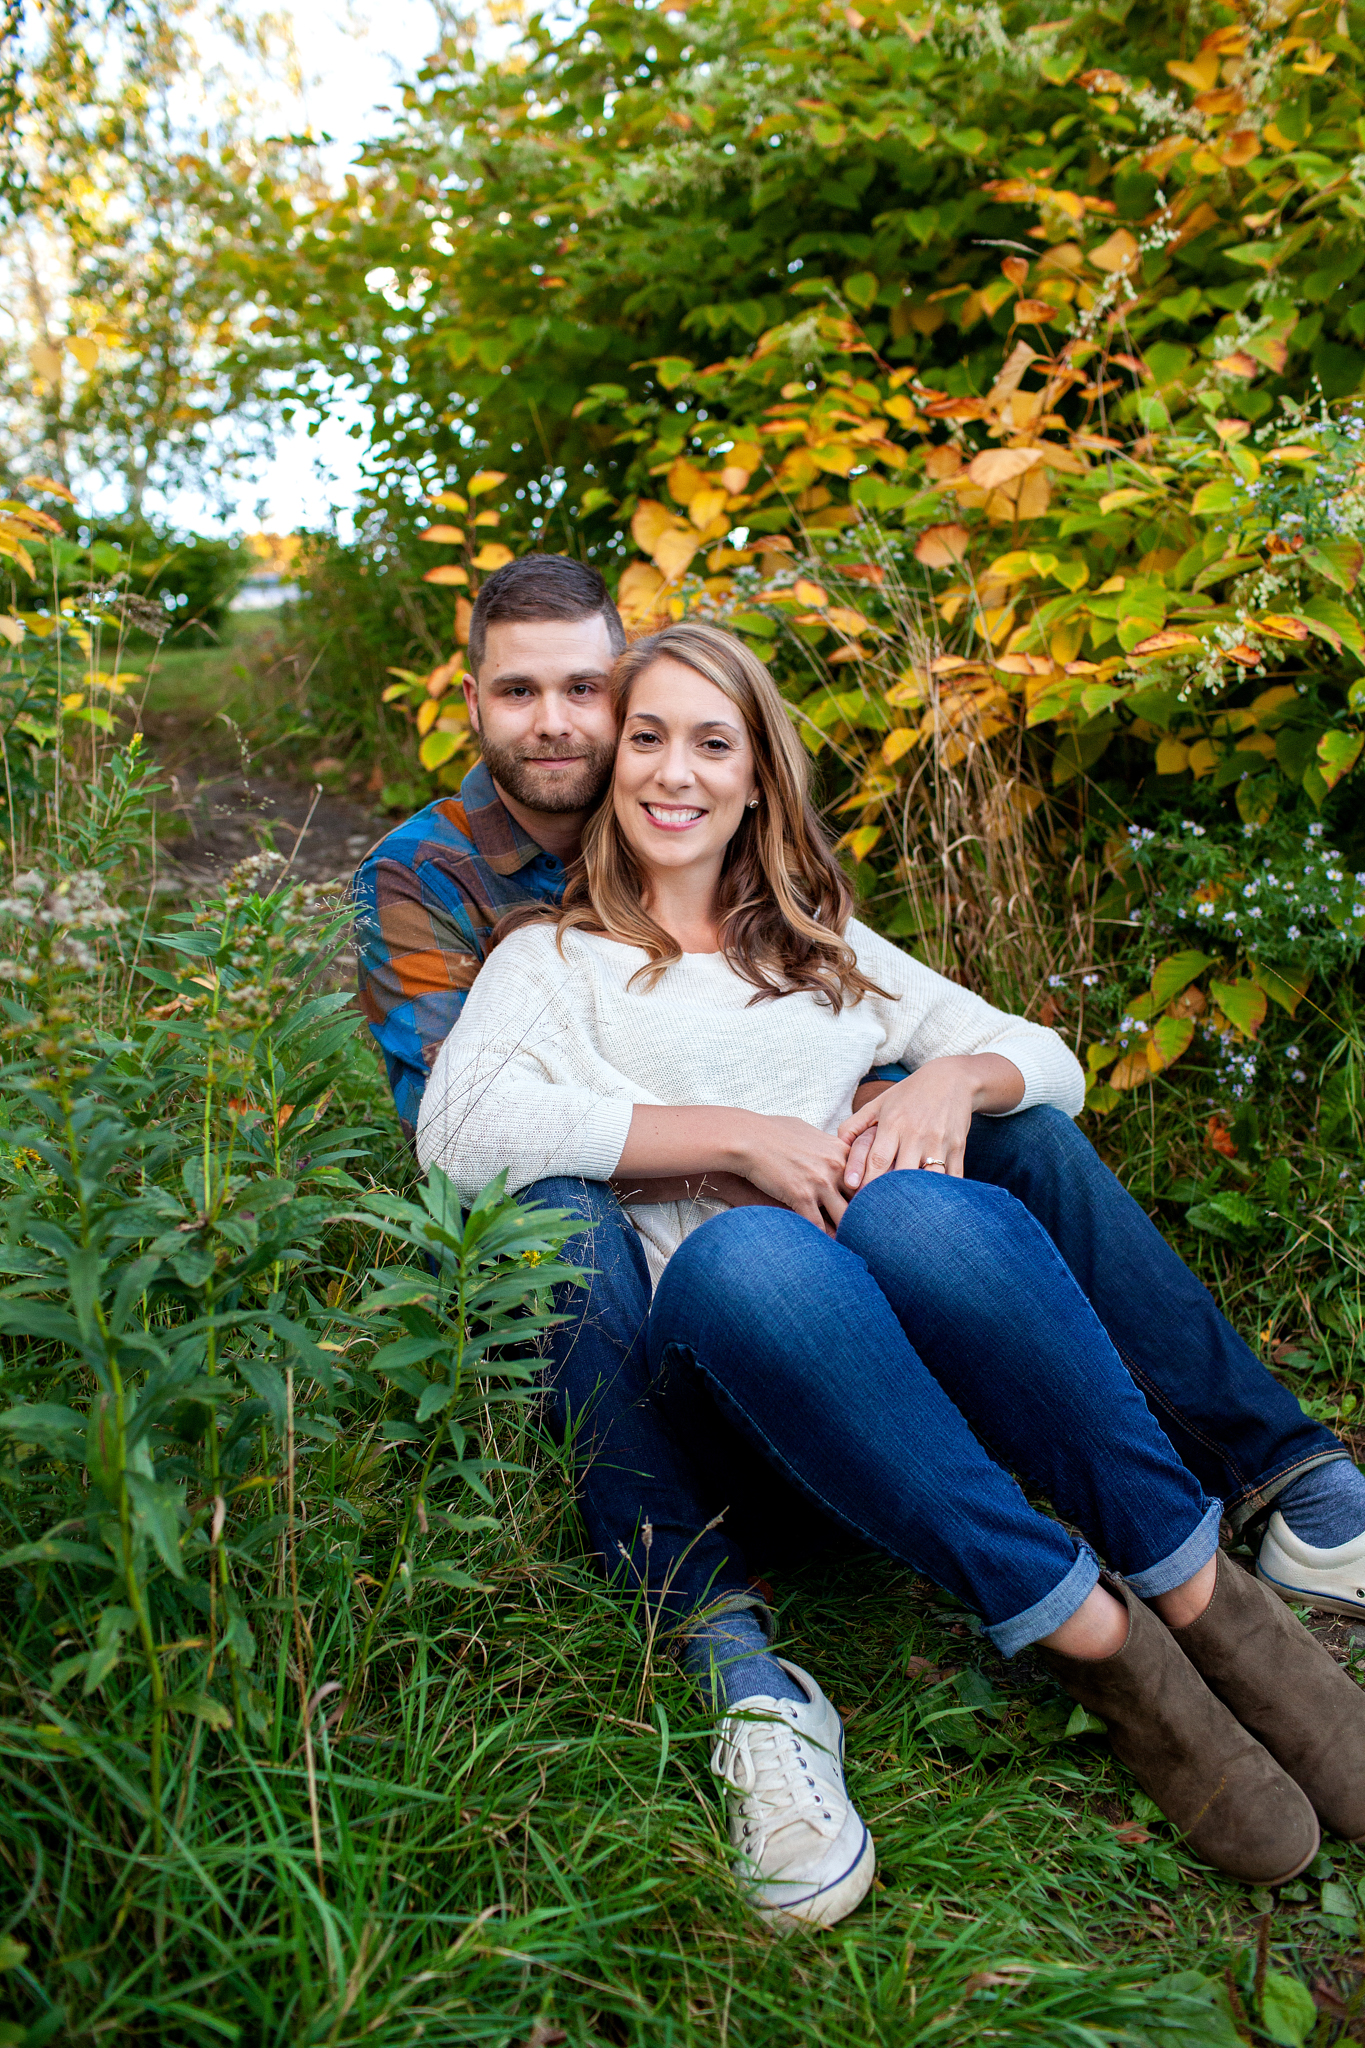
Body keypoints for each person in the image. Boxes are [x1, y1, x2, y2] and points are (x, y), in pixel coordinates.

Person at [412, 618, 1365, 1928]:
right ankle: (1083, 1629)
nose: (672, 773)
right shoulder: (555, 961)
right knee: (750, 1250)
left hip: (902, 1410)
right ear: (613, 764)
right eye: (647, 739)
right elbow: (460, 1135)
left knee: (921, 1210)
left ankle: (1193, 1590)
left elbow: (1040, 1058)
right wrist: (735, 1140)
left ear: (757, 780)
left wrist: (947, 1082)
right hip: (745, 1410)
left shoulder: (816, 948)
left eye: (712, 743)